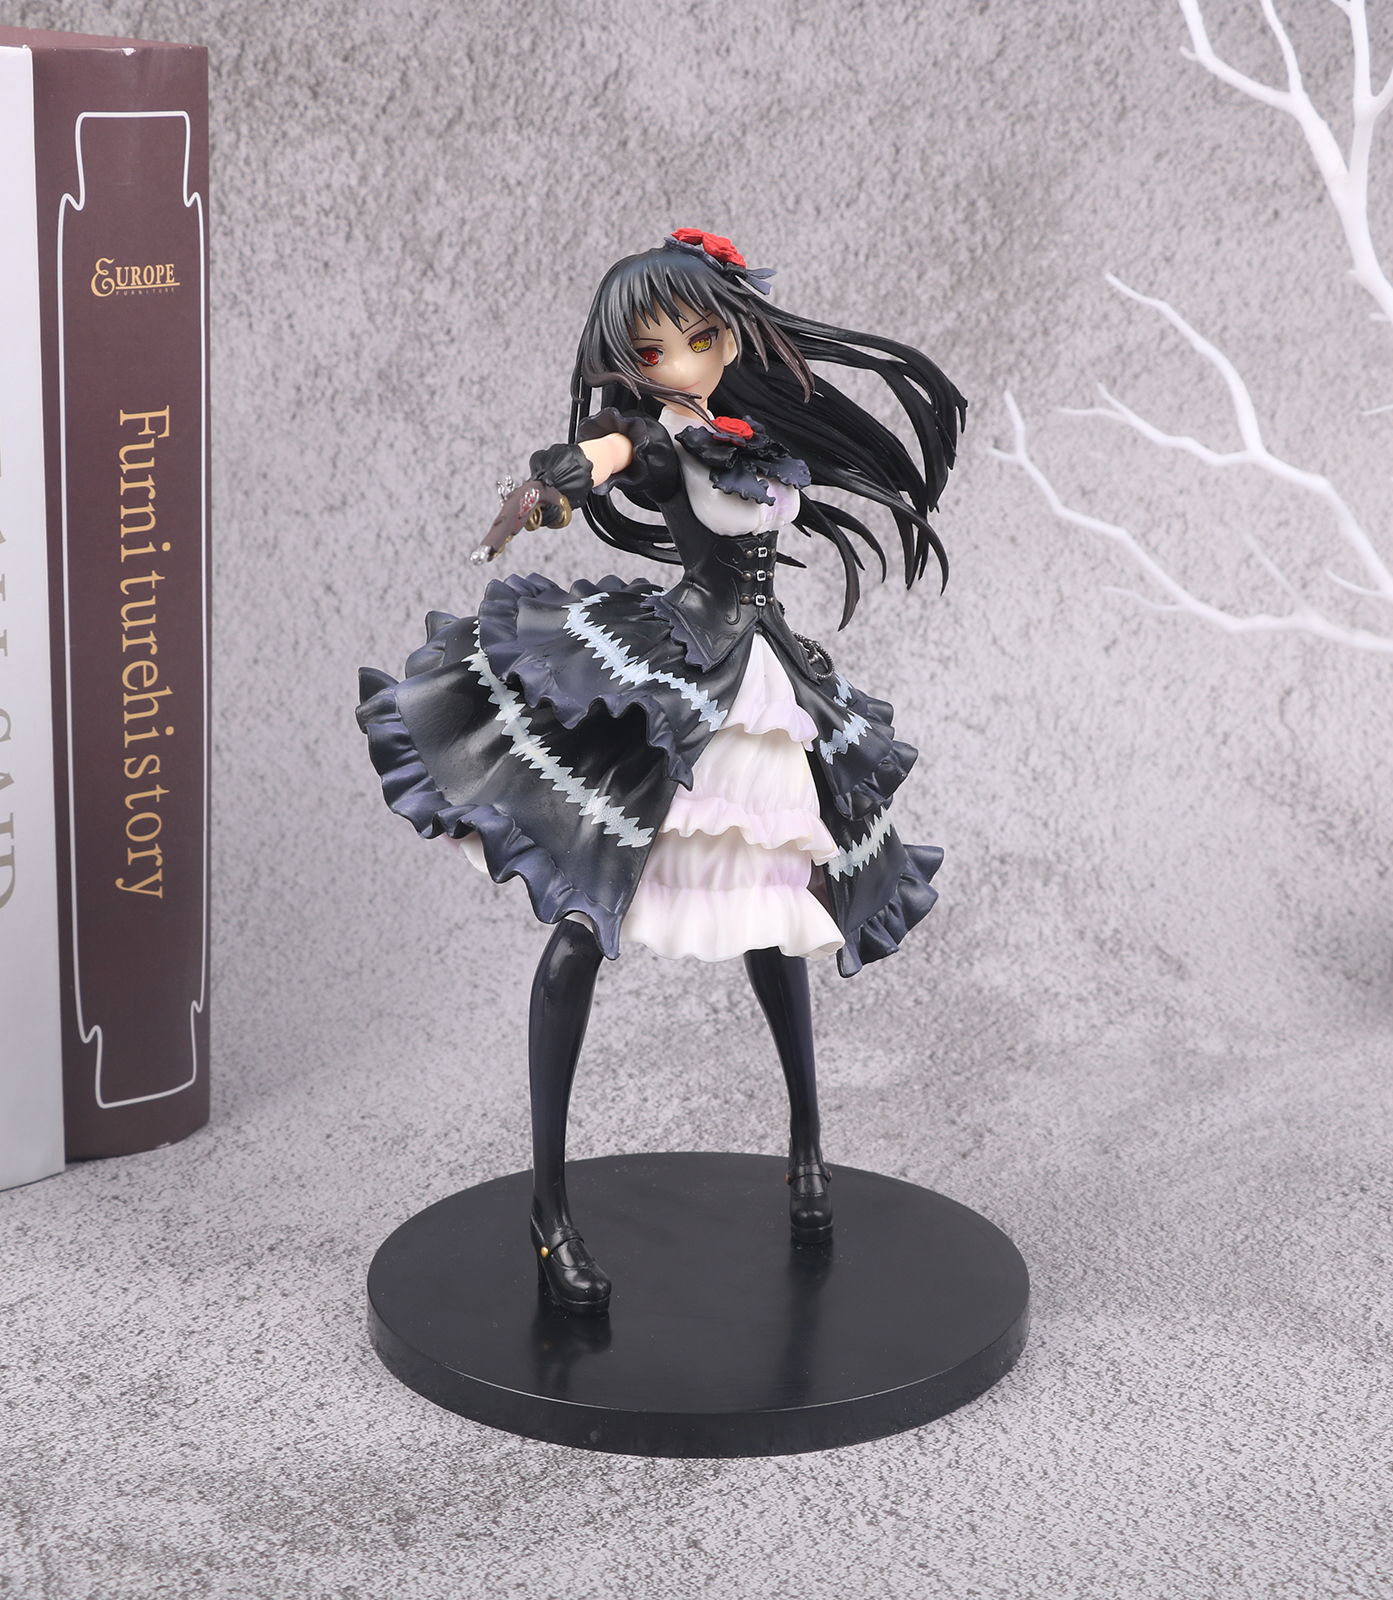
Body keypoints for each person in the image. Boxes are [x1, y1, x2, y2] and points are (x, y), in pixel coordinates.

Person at [357, 228, 964, 1315]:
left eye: (700, 336)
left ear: (732, 330)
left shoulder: (759, 430)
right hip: (677, 672)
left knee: (781, 902)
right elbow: (600, 461)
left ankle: (808, 1149)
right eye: (654, 350)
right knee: (589, 910)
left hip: (766, 681)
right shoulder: (652, 434)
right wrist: (552, 487)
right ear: (627, 364)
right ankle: (549, 1211)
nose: (683, 360)